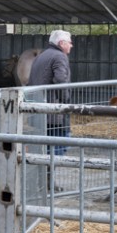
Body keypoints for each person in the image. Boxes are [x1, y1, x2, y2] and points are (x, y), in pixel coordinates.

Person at [28, 29, 73, 158]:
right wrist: (65, 102)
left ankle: (45, 176)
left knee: (43, 148)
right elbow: (60, 80)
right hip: (54, 114)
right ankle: (49, 176)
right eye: (69, 42)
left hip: (39, 110)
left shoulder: (42, 55)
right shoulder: (59, 56)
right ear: (61, 43)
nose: (71, 45)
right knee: (58, 148)